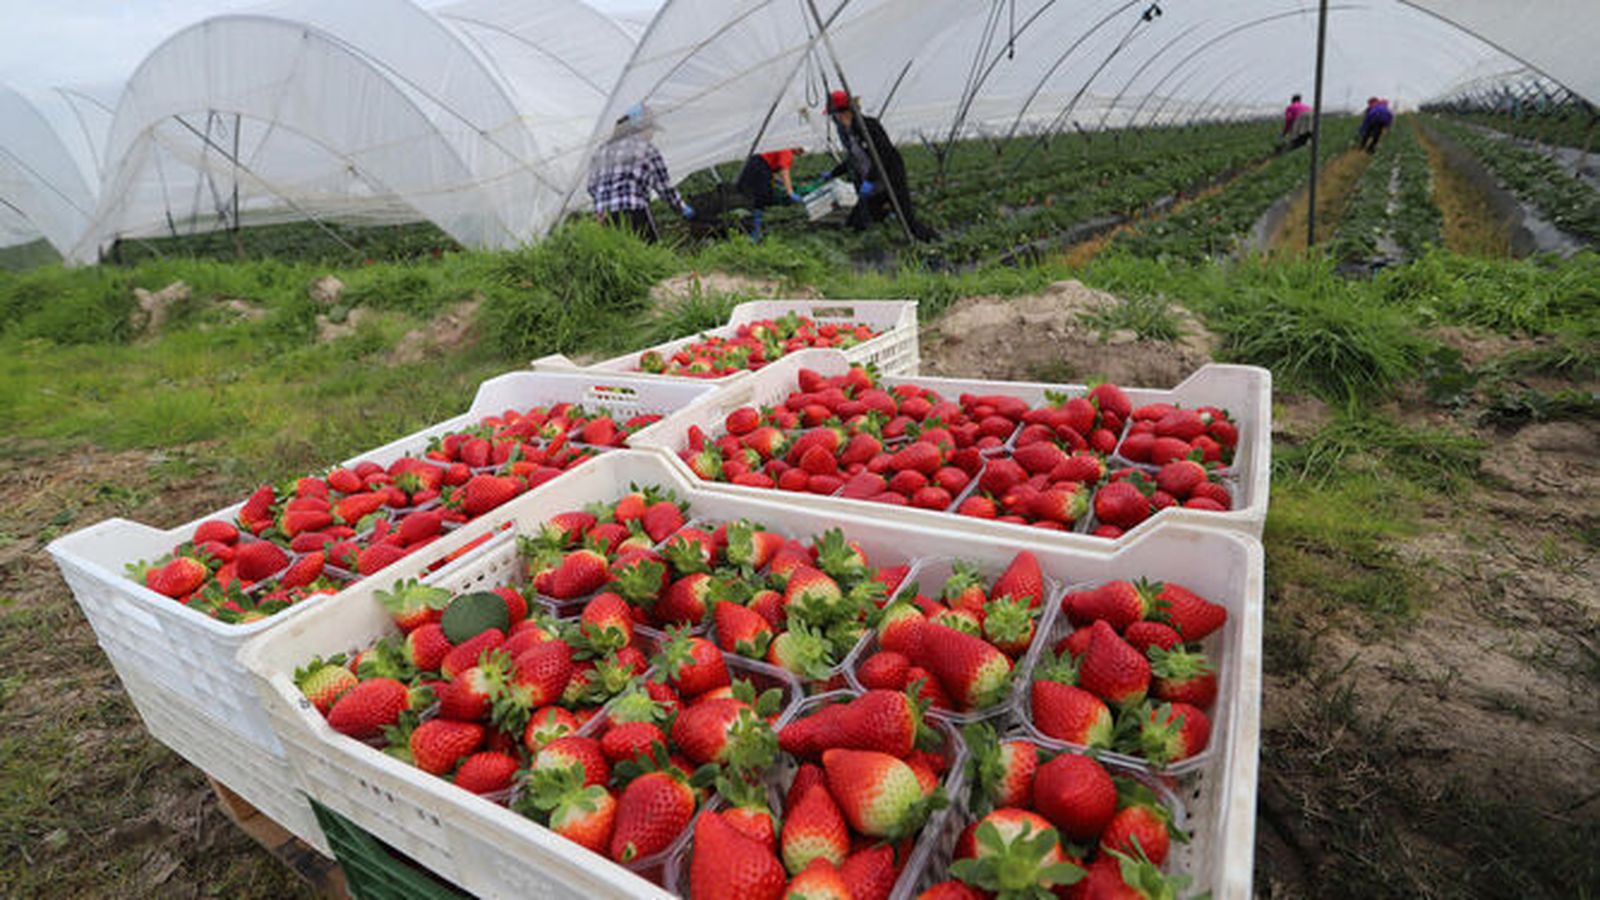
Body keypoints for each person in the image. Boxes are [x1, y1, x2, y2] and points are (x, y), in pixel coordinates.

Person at [822, 90, 938, 241]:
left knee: (908, 222)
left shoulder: (869, 126)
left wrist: (870, 180)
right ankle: (877, 242)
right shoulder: (849, 134)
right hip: (873, 185)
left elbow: (883, 155)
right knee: (857, 223)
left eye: (833, 116)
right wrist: (833, 173)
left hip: (890, 180)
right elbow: (853, 160)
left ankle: (935, 242)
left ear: (843, 113)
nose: (833, 120)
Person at [586, 103, 693, 242]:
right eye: (651, 129)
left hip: (605, 217)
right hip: (633, 211)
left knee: (617, 258)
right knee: (653, 257)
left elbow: (591, 187)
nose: (652, 134)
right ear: (639, 127)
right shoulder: (646, 149)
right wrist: (682, 208)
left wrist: (602, 204)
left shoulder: (600, 151)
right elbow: (664, 187)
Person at [734, 147, 805, 240]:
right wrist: (790, 191)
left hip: (754, 164)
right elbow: (784, 172)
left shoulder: (781, 147)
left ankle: (749, 223)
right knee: (762, 196)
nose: (800, 154)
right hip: (759, 168)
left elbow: (774, 171)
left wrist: (782, 183)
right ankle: (755, 229)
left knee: (752, 194)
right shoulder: (787, 152)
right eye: (801, 151)